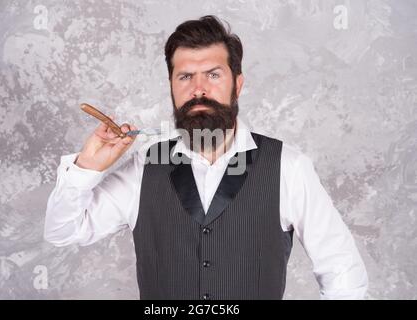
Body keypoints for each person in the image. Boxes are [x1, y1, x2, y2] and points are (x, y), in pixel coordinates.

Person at [44, 15, 368, 300]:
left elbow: (341, 270)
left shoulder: (288, 167)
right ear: (171, 86)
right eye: (185, 77)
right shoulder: (146, 166)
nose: (198, 89)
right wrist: (86, 168)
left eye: (213, 75)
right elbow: (63, 232)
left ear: (237, 85)